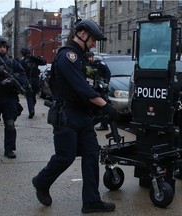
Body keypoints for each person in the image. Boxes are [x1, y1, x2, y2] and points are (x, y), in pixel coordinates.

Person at [32, 19, 117, 213]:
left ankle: (91, 201)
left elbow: (94, 80)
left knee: (91, 154)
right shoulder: (67, 56)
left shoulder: (81, 57)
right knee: (65, 157)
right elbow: (82, 88)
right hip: (67, 115)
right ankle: (41, 181)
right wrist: (106, 107)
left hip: (83, 116)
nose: (95, 43)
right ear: (83, 34)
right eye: (94, 39)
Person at [86, 51, 111, 131]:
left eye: (91, 57)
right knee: (91, 108)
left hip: (100, 89)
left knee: (102, 107)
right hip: (91, 88)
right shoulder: (86, 65)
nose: (90, 59)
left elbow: (108, 73)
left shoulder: (99, 64)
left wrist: (105, 82)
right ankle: (90, 124)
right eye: (89, 57)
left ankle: (104, 125)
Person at [20, 48, 47, 119]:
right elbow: (44, 62)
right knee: (32, 97)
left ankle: (31, 110)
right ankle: (31, 109)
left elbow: (44, 62)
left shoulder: (23, 61)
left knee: (30, 97)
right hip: (33, 81)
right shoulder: (30, 60)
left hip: (29, 81)